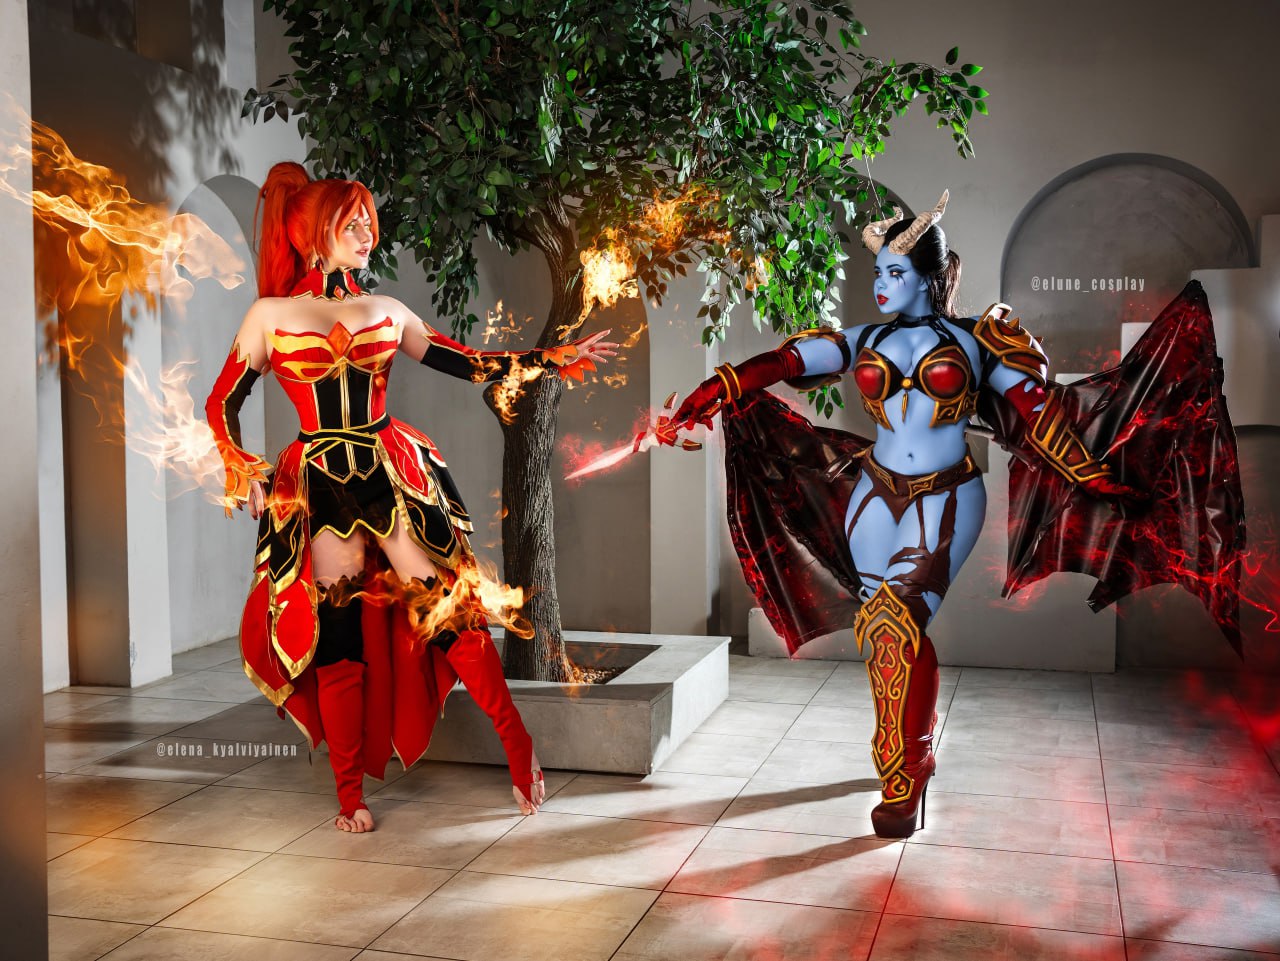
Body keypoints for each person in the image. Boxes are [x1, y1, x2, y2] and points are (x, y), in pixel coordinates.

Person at [662, 190, 1160, 839]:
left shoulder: (978, 340)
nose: (882, 285)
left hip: (946, 495)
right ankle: (911, 739)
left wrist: (1089, 473)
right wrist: (718, 386)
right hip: (874, 491)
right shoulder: (864, 340)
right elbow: (786, 362)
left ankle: (906, 768)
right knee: (882, 628)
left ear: (928, 277)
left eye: (895, 272)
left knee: (898, 623)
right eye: (879, 272)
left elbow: (1037, 415)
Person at [205, 161, 616, 832]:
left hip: (387, 477)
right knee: (338, 637)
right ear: (315, 234)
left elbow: (467, 361)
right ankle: (349, 797)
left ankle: (519, 747)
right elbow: (221, 402)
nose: (367, 233)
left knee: (449, 611)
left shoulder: (387, 310)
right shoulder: (269, 316)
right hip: (319, 491)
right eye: (352, 223)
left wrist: (546, 360)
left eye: (369, 222)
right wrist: (242, 467)